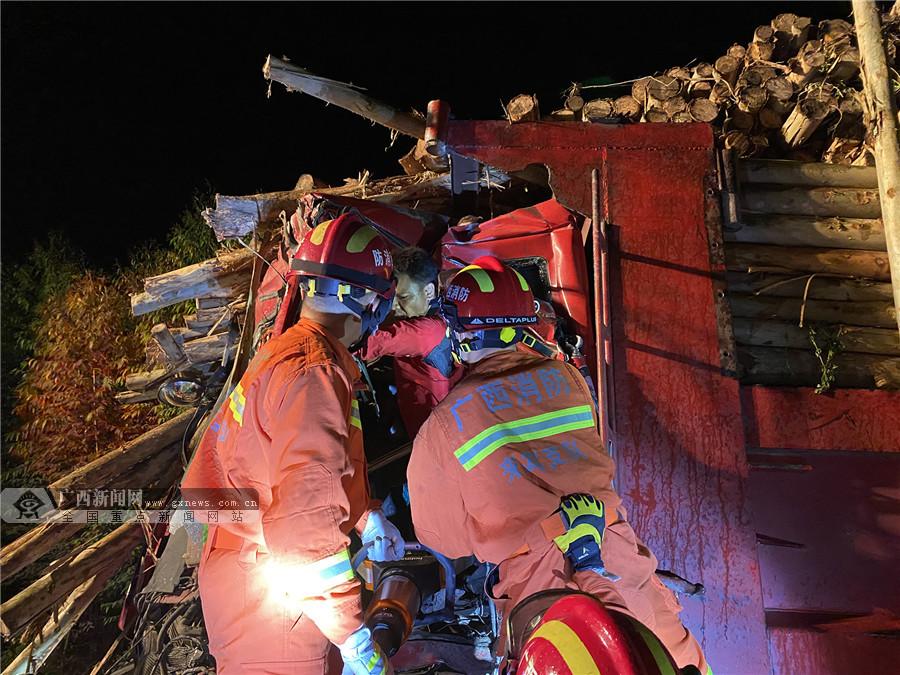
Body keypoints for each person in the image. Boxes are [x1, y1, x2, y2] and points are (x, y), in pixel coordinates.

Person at [406, 256, 711, 674]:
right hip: (615, 547)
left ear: (459, 333)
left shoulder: (444, 425)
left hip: (543, 578)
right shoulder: (567, 379)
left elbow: (443, 538)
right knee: (675, 655)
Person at [181, 213, 404, 675]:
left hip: (251, 572)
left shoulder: (294, 353)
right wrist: (352, 635)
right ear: (359, 297)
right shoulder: (314, 375)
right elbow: (304, 530)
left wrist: (365, 517)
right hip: (273, 597)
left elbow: (306, 467)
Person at [359, 246, 462, 437]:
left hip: (429, 434)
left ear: (429, 291)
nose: (395, 305)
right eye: (391, 298)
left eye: (403, 297)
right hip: (438, 419)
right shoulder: (446, 312)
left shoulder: (426, 332)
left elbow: (369, 344)